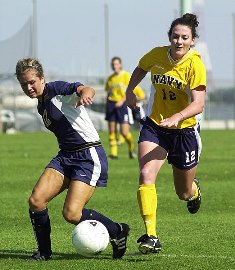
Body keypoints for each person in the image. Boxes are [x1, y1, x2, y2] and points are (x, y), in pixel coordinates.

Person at [15, 58, 129, 261]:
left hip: (88, 155)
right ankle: (44, 253)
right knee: (36, 201)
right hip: (66, 156)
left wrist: (85, 95)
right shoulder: (41, 105)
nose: (29, 87)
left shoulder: (56, 90)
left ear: (42, 78)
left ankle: (117, 230)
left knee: (72, 214)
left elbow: (86, 89)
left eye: (32, 81)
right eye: (24, 84)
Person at [126, 13, 206, 254]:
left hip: (184, 131)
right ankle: (151, 235)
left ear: (192, 40)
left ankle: (194, 191)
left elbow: (198, 103)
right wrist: (131, 90)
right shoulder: (157, 55)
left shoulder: (195, 64)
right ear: (169, 37)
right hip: (156, 126)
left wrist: (178, 117)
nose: (179, 41)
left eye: (185, 37)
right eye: (175, 36)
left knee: (182, 192)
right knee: (146, 174)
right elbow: (141, 68)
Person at [105, 56, 144, 159]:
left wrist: (122, 100)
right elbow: (108, 91)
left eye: (117, 64)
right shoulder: (110, 79)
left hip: (122, 105)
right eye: (113, 64)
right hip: (111, 105)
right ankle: (114, 154)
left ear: (120, 65)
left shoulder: (126, 76)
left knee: (124, 132)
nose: (115, 66)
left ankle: (131, 148)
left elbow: (130, 90)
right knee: (112, 131)